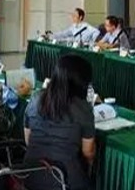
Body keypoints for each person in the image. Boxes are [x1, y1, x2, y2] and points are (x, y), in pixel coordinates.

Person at [24, 54, 95, 190]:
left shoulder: (36, 98)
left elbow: (28, 140)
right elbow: (88, 152)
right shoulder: (83, 108)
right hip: (65, 181)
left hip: (30, 176)